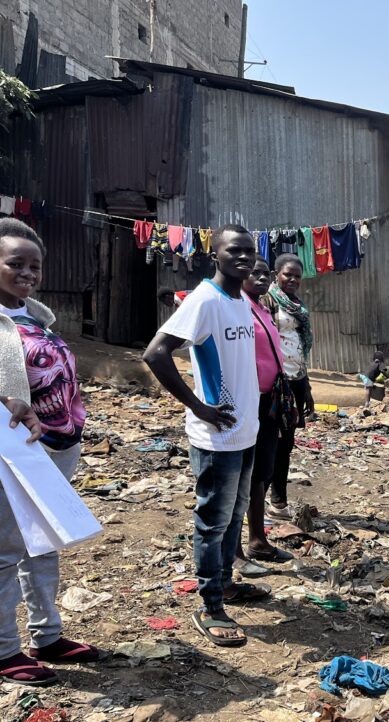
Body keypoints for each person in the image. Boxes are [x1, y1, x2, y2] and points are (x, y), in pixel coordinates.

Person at [143, 224, 268, 648]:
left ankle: (227, 584)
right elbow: (155, 353)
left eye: (249, 251)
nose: (244, 257)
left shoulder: (240, 300)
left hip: (245, 432)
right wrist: (197, 406)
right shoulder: (204, 300)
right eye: (235, 250)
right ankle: (210, 605)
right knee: (213, 523)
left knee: (234, 517)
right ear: (214, 255)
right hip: (216, 438)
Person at [0, 218, 100, 685]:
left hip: (57, 446)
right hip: (13, 450)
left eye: (34, 265)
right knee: (4, 551)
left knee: (44, 544)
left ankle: (48, 636)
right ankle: (3, 650)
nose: (27, 273)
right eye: (14, 263)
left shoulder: (35, 316)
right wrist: (5, 400)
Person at [234, 258, 294, 577]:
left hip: (269, 401)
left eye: (264, 273)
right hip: (248, 402)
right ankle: (235, 551)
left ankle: (258, 539)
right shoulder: (236, 307)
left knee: (262, 472)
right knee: (241, 475)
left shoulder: (262, 308)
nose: (259, 277)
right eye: (253, 272)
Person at [262, 255, 314, 518]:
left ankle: (278, 502)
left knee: (287, 443)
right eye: (287, 275)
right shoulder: (267, 301)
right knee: (270, 443)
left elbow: (298, 348)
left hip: (295, 380)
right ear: (276, 274)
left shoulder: (297, 305)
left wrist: (306, 386)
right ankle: (262, 504)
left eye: (297, 276)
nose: (292, 280)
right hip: (274, 383)